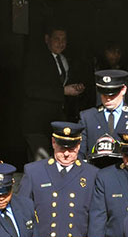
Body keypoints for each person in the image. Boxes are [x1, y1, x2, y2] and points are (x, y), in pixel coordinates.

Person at [18, 121, 98, 237]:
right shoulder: (34, 171)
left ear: (79, 145)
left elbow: (96, 218)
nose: (66, 153)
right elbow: (23, 211)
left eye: (71, 149)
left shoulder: (92, 174)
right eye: (62, 148)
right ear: (53, 142)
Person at [21, 25, 86, 159]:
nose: (61, 43)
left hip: (56, 123)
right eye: (57, 39)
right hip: (37, 124)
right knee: (40, 163)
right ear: (47, 39)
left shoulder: (63, 59)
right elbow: (31, 89)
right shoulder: (36, 59)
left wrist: (75, 88)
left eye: (64, 39)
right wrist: (63, 91)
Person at [79, 69, 128, 163]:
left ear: (123, 89)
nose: (108, 98)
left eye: (112, 94)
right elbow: (80, 153)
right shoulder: (87, 116)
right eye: (104, 94)